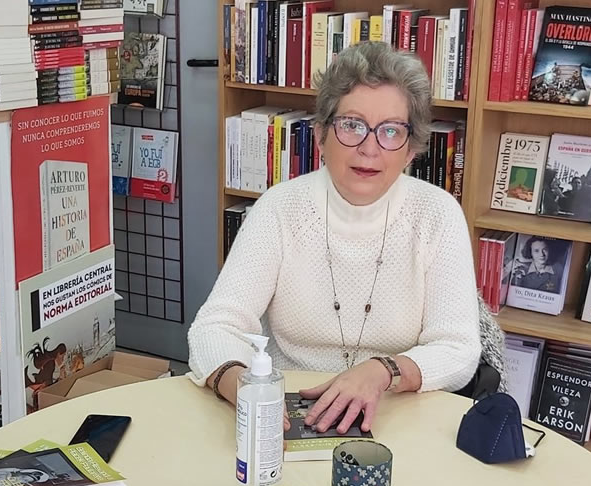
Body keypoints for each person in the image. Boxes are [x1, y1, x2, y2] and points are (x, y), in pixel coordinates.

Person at [188, 42, 481, 435]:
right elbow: (215, 327)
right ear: (322, 133)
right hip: (287, 413)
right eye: (352, 125)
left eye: (391, 131)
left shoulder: (437, 214)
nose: (369, 148)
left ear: (412, 149)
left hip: (398, 413)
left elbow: (459, 349)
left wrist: (382, 371)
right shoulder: (280, 209)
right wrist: (247, 392)